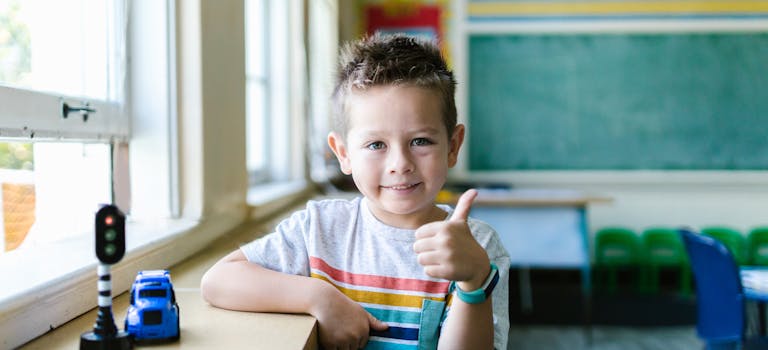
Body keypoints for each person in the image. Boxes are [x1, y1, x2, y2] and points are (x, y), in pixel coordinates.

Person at [201, 33, 510, 350]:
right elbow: (218, 281)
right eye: (376, 144)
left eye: (420, 141)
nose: (399, 164)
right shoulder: (318, 229)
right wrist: (319, 296)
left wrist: (473, 282)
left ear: (453, 146)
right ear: (344, 153)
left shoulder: (478, 248)